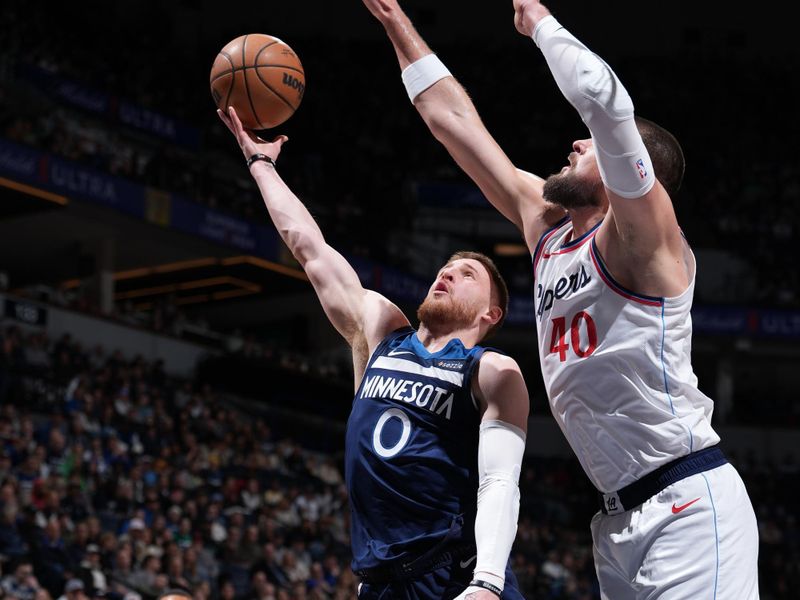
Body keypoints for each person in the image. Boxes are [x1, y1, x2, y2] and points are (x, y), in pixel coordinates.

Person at [361, 0, 759, 598]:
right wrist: (395, 21)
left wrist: (540, 22)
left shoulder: (642, 241)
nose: (575, 142)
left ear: (630, 168)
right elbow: (454, 123)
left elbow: (607, 105)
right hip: (614, 519)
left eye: (591, 145)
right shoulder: (546, 227)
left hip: (687, 503)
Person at [217, 106, 530, 599]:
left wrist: (487, 581)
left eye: (467, 274)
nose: (447, 273)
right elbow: (311, 250)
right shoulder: (381, 331)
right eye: (446, 268)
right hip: (380, 584)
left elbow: (499, 481)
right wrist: (261, 163)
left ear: (490, 315)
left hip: (454, 578)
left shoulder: (490, 371)